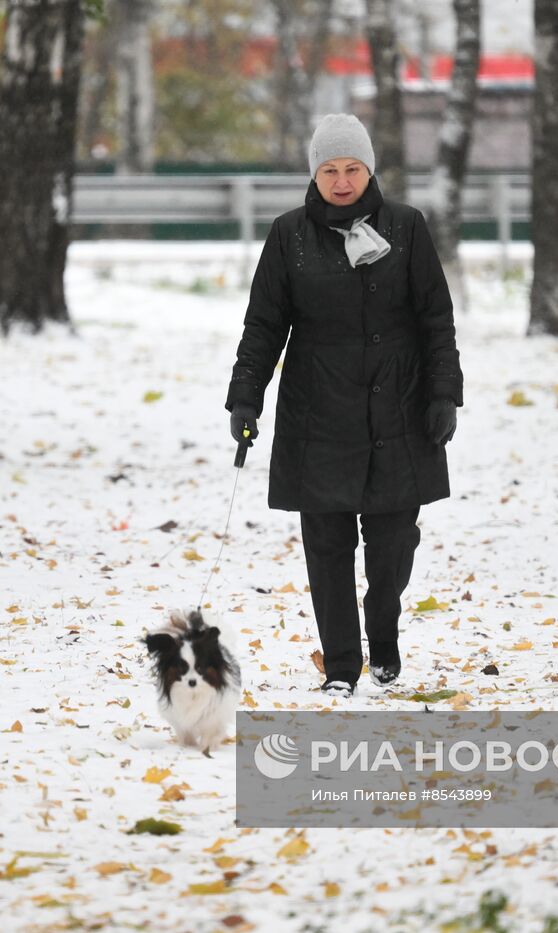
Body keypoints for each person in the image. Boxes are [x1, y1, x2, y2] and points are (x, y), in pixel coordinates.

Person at [225, 113, 463, 698]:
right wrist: (246, 397)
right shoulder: (288, 235)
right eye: (329, 170)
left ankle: (382, 628)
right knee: (327, 547)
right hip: (318, 413)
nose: (341, 181)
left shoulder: (406, 227)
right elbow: (264, 325)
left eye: (352, 168)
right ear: (314, 174)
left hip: (397, 409)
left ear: (369, 170)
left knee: (394, 542)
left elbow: (436, 319)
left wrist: (444, 393)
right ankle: (340, 665)